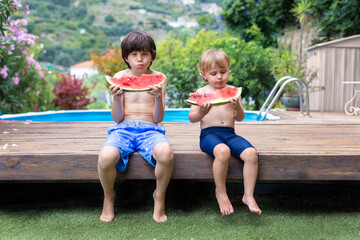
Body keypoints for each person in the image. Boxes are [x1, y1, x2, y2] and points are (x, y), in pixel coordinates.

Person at [98, 31, 174, 223]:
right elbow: (117, 118)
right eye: (134, 55)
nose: (139, 60)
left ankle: (159, 196)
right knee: (106, 157)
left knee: (166, 153)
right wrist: (116, 99)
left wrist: (158, 98)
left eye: (145, 54)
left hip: (151, 129)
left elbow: (158, 118)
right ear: (126, 57)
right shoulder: (119, 77)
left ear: (152, 56)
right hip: (123, 128)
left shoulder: (159, 78)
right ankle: (109, 197)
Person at [188, 49, 261, 215]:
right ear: (204, 74)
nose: (219, 77)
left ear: (229, 70)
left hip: (230, 134)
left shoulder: (234, 92)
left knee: (251, 154)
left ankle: (248, 195)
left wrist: (237, 108)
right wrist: (202, 113)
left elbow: (240, 118)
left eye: (223, 72)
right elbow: (192, 118)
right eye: (213, 73)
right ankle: (220, 192)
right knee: (223, 151)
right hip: (209, 135)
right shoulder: (200, 94)